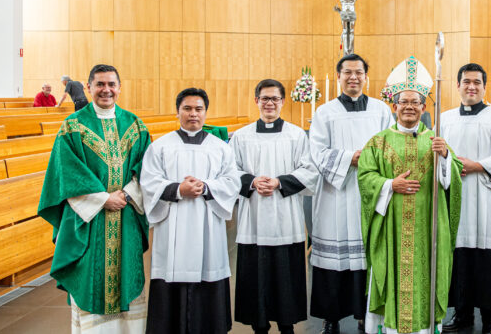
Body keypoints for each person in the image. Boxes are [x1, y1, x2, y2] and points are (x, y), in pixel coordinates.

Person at [37, 64, 152, 334]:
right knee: (91, 279)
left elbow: (148, 167)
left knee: (127, 280)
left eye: (112, 84)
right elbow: (66, 172)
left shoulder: (135, 125)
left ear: (120, 88)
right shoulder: (72, 126)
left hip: (126, 217)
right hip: (88, 222)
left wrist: (125, 194)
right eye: (100, 84)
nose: (106, 90)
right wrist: (102, 199)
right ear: (88, 87)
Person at [358, 56, 464, 334]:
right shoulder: (378, 142)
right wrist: (389, 185)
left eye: (414, 102)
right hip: (391, 227)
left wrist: (445, 158)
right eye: (403, 102)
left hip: (428, 229)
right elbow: (365, 177)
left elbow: (451, 181)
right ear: (394, 106)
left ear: (424, 107)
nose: (408, 107)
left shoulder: (436, 140)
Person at [140, 88, 241, 334]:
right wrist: (178, 189)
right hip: (172, 225)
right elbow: (149, 182)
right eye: (187, 108)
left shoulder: (220, 147)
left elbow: (232, 182)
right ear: (178, 112)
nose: (193, 114)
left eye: (198, 109)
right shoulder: (161, 146)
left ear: (206, 112)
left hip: (208, 225)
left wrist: (206, 187)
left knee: (209, 270)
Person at [309, 54, 395, 334]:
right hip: (337, 195)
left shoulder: (381, 110)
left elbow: (391, 147)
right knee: (334, 261)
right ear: (338, 77)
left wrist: (371, 164)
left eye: (359, 72)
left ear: (366, 77)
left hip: (371, 194)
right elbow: (317, 153)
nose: (353, 77)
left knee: (366, 256)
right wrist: (350, 158)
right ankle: (330, 317)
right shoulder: (325, 113)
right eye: (348, 72)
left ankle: (365, 316)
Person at [230, 79, 320, 334]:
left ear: (282, 102)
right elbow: (229, 171)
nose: (270, 103)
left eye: (275, 99)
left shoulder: (295, 135)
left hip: (285, 217)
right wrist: (252, 181)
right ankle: (259, 324)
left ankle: (287, 323)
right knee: (255, 272)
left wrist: (280, 182)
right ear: (256, 100)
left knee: (285, 274)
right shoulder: (242, 136)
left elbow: (310, 170)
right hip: (254, 217)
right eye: (265, 98)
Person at [440, 63, 491, 334]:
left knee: (487, 261)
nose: (471, 86)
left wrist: (478, 165)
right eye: (466, 81)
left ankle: (489, 318)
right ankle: (461, 313)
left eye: (477, 82)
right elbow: (436, 156)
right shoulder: (445, 118)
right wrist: (448, 167)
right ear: (458, 85)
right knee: (459, 257)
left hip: (487, 199)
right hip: (456, 198)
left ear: (484, 87)